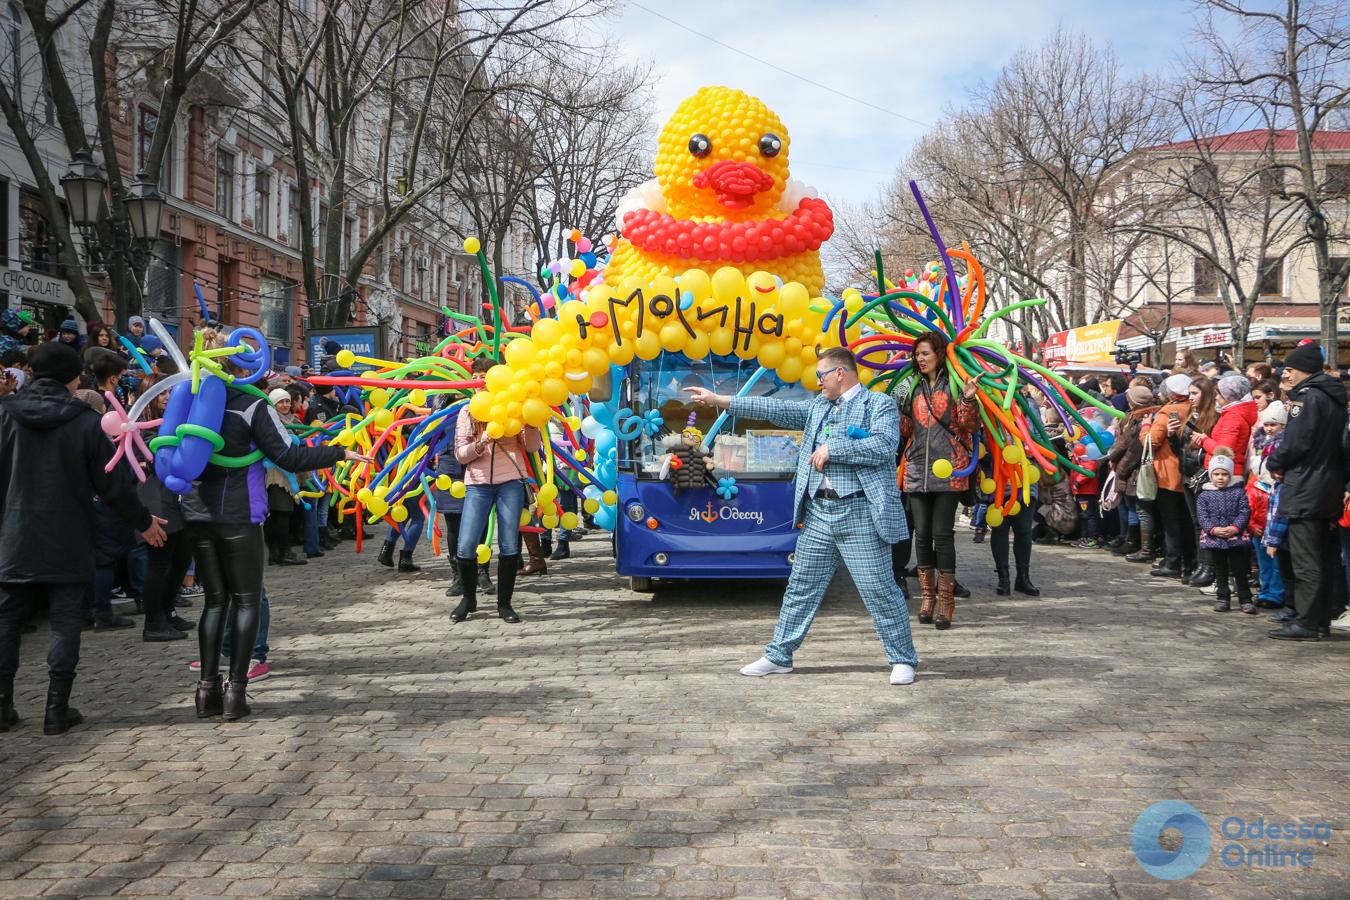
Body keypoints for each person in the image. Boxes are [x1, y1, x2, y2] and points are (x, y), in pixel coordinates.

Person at [686, 346, 918, 685]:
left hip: (860, 513)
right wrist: (722, 400)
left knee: (879, 588)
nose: (818, 381)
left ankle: (902, 658)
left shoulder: (878, 404)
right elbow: (775, 408)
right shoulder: (817, 407)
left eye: (821, 375)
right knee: (801, 588)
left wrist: (834, 448)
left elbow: (884, 446)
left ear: (841, 373)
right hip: (820, 513)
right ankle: (779, 656)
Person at [180, 329, 364, 719]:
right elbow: (288, 456)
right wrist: (339, 452)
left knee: (214, 603)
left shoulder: (192, 399)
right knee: (246, 600)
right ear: (243, 363)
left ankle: (206, 692)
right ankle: (236, 694)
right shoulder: (252, 405)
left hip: (196, 512)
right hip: (238, 513)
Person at [0, 342, 167, 736]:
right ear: (72, 377)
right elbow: (111, 483)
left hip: (13, 534)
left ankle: (2, 706)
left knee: (6, 620)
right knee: (65, 622)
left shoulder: (5, 415)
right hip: (68, 533)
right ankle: (56, 710)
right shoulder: (84, 421)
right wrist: (142, 520)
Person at [451, 356, 542, 625]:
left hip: (510, 482)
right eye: (476, 378)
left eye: (485, 377)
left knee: (508, 545)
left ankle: (505, 605)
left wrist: (531, 422)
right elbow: (460, 454)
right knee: (466, 546)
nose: (480, 384)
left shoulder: (514, 407)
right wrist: (482, 442)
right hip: (477, 484)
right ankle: (468, 599)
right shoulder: (467, 412)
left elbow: (532, 447)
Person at [1265, 343, 1347, 641]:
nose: (1285, 373)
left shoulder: (1307, 399)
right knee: (1324, 556)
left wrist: (1274, 461)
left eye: (1289, 368)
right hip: (1328, 485)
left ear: (1302, 370)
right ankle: (1320, 618)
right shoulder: (1333, 397)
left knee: (1305, 559)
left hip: (1306, 486)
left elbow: (1297, 441)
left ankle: (1307, 621)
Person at [897, 331, 979, 629]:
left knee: (942, 534)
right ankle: (927, 598)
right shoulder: (912, 387)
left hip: (950, 471)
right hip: (917, 470)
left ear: (939, 354)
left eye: (926, 353)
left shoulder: (956, 384)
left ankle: (946, 601)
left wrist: (968, 400)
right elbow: (906, 430)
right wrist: (896, 408)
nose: (920, 359)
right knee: (921, 534)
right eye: (917, 354)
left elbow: (969, 426)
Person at [1149, 374, 1195, 579]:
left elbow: (1153, 440)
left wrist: (1143, 430)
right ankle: (1188, 562)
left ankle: (1173, 561)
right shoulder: (1192, 408)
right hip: (1187, 470)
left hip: (1168, 471)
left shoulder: (1168, 411)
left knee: (1171, 520)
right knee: (1186, 519)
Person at [1196, 450, 1253, 613]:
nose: (1220, 478)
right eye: (1216, 474)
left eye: (1224, 474)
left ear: (1230, 475)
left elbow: (1244, 511)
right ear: (1211, 475)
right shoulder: (1204, 495)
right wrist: (1213, 529)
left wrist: (1235, 527)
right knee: (1220, 570)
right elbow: (1202, 515)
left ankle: (1245, 598)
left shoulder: (1238, 492)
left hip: (1235, 537)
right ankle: (1222, 597)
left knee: (1239, 569)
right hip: (1215, 538)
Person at [1247, 402, 1286, 610]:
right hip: (1258, 496)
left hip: (1274, 496)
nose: (1269, 428)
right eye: (1267, 424)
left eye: (1274, 424)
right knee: (1261, 550)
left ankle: (1275, 593)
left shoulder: (1282, 445)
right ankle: (1265, 588)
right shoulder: (1260, 441)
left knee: (1274, 551)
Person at [263, 388, 307, 567]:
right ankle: (281, 552)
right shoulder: (270, 422)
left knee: (284, 514)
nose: (285, 405)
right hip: (276, 474)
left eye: (287, 401)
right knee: (280, 512)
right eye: (280, 402)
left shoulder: (294, 421)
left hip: (291, 472)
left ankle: (278, 552)